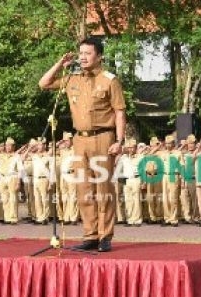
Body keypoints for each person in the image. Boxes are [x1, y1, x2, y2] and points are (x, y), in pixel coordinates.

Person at [39, 37, 126, 252]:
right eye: (81, 53)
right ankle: (90, 235)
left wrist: (119, 141)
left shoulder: (109, 80)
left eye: (88, 53)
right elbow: (44, 83)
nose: (83, 57)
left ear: (99, 56)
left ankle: (105, 236)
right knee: (84, 189)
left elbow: (119, 112)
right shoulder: (72, 79)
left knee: (103, 189)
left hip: (103, 137)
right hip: (80, 139)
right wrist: (60, 63)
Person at [158, 135, 184, 226]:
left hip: (174, 176)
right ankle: (167, 218)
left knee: (173, 198)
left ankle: (174, 219)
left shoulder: (178, 153)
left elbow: (182, 167)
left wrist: (183, 179)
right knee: (165, 199)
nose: (168, 145)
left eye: (170, 143)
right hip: (165, 176)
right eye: (167, 143)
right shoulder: (162, 153)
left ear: (173, 144)